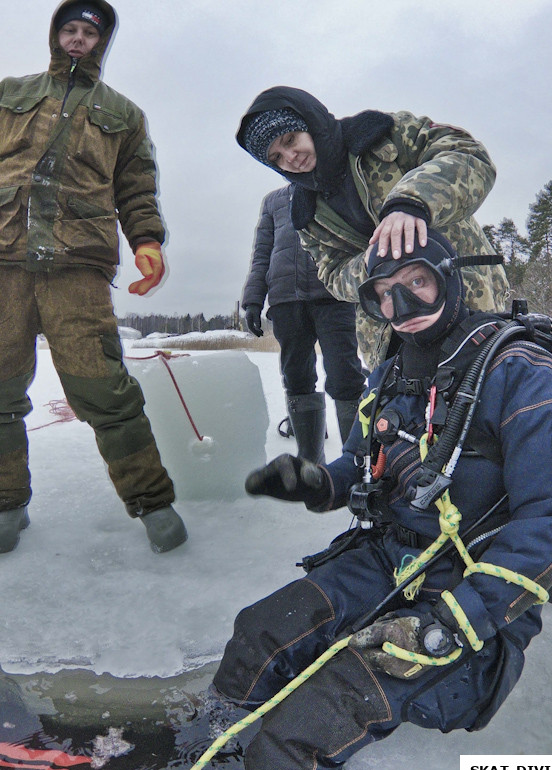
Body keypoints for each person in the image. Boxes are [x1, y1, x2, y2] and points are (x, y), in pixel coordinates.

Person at [194, 230, 552, 770]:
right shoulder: (392, 373)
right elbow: (364, 462)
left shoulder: (518, 371)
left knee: (308, 727)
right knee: (258, 635)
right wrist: (317, 482)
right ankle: (203, 755)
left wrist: (455, 621)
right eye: (384, 293)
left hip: (477, 599)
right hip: (390, 556)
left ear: (450, 280)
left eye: (417, 283)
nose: (400, 306)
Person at [0, 1, 187, 555]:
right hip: (4, 259)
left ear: (102, 42)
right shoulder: (9, 93)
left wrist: (147, 242)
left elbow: (136, 187)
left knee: (103, 388)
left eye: (89, 31)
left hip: (77, 265)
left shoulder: (123, 114)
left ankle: (153, 504)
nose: (78, 39)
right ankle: (7, 503)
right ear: (55, 35)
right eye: (69, 29)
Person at [236, 86, 510, 372]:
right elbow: (332, 274)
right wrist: (368, 263)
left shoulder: (384, 134)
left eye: (290, 140)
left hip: (470, 301)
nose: (290, 157)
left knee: (487, 396)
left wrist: (411, 203)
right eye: (277, 157)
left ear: (311, 121)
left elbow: (468, 155)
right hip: (391, 331)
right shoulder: (306, 215)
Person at [242, 185, 365, 463]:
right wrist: (252, 300)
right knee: (296, 377)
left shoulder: (334, 186)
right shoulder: (273, 200)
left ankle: (356, 463)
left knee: (345, 376)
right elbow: (262, 253)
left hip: (334, 295)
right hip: (285, 300)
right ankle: (311, 462)